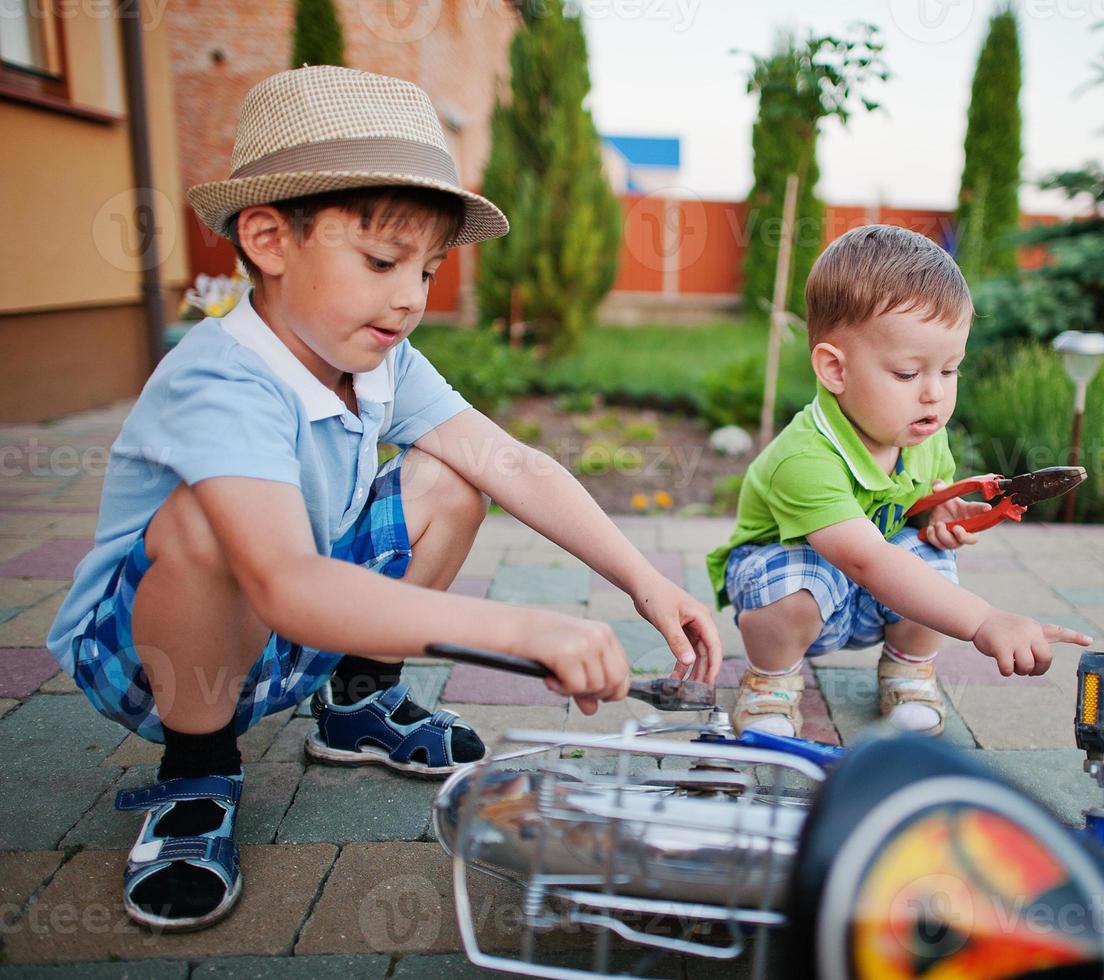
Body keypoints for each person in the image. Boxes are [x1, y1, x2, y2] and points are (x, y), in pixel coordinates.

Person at [46, 65, 720, 932]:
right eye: (381, 261)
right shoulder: (220, 378)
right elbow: (286, 580)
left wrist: (642, 580)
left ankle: (358, 703)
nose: (410, 297)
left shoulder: (377, 358)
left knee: (454, 474)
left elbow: (513, 465)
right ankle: (196, 777)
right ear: (269, 239)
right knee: (205, 526)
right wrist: (522, 628)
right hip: (150, 657)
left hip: (297, 626)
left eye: (429, 270)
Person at [706, 225, 1089, 739]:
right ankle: (771, 682)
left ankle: (909, 670)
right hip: (796, 595)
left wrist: (936, 515)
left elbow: (910, 519)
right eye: (908, 374)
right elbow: (868, 559)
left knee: (931, 561)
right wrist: (983, 621)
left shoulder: (923, 435)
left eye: (950, 370)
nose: (934, 394)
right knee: (800, 579)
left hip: (868, 594)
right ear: (835, 370)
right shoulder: (803, 459)